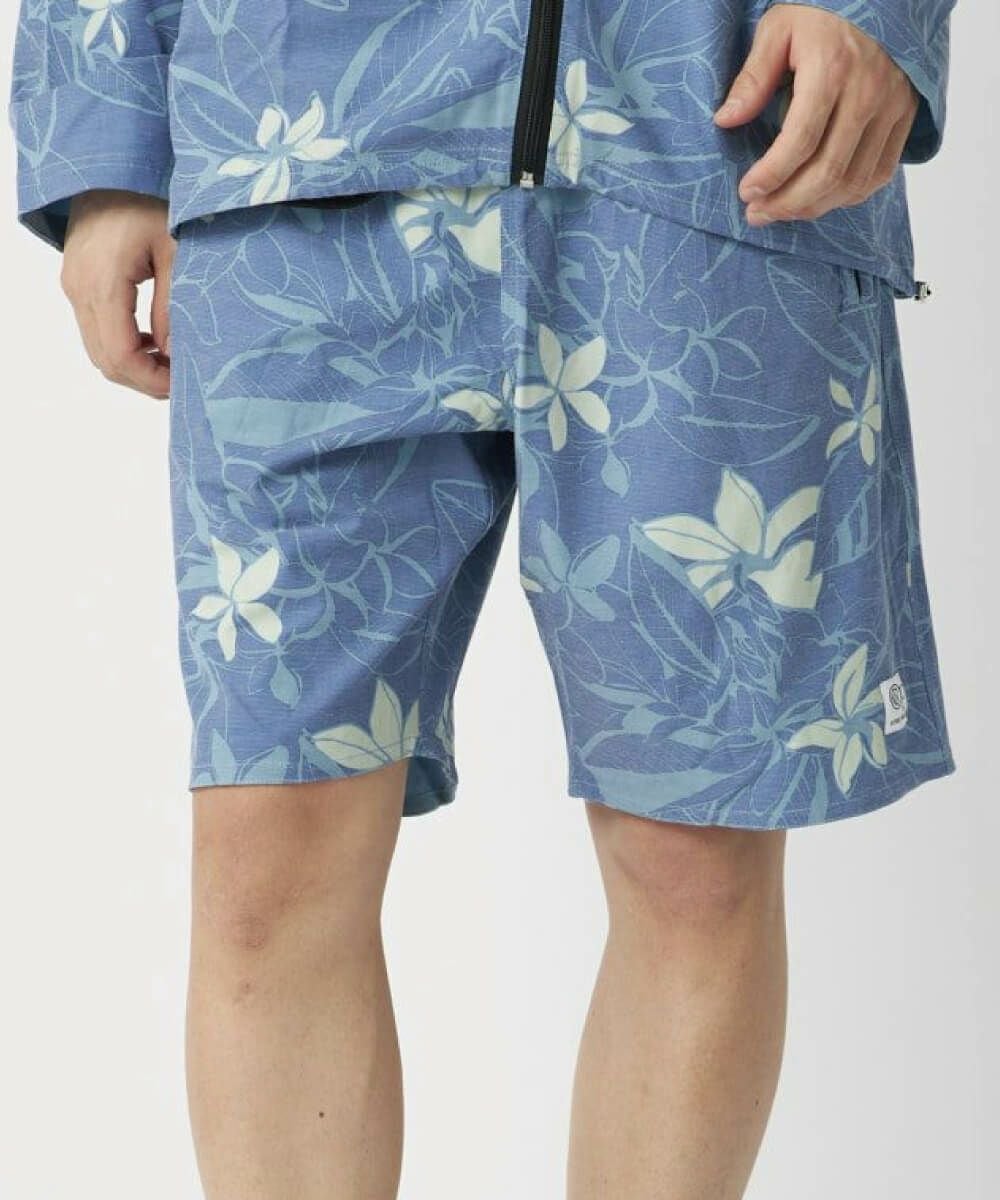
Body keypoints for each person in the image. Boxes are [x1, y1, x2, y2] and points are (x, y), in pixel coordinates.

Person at [9, 2, 958, 1197]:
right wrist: (101, 142)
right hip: (293, 139)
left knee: (694, 855)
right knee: (266, 853)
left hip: (702, 135)